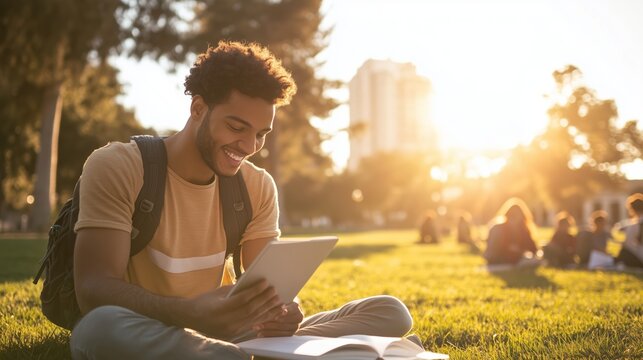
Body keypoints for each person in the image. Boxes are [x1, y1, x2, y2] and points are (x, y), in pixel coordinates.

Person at [69, 41, 414, 359]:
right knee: (98, 329)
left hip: (233, 331)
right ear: (199, 108)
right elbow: (94, 289)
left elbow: (271, 286)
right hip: (147, 326)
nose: (249, 147)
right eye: (237, 127)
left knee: (390, 312)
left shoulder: (256, 186)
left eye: (261, 134)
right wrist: (190, 312)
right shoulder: (119, 165)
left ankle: (238, 352)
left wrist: (285, 312)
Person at [483, 197, 539, 265]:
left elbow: (533, 248)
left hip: (513, 258)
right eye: (512, 216)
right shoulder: (498, 228)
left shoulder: (523, 229)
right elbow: (496, 250)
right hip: (497, 258)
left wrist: (520, 251)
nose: (514, 220)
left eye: (517, 216)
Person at [614, 193, 643, 268]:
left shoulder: (634, 225)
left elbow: (628, 244)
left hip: (640, 260)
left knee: (623, 251)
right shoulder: (635, 223)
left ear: (632, 209)